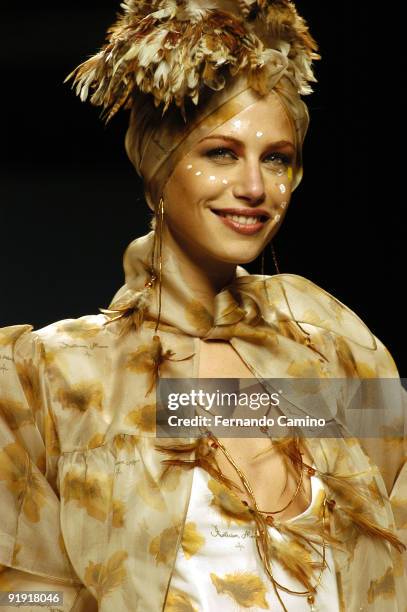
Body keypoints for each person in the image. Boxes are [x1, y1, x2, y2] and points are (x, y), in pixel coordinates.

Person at [0, 1, 406, 611]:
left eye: (277, 158)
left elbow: (394, 518)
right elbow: (29, 597)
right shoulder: (54, 377)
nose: (253, 186)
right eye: (221, 152)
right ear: (160, 168)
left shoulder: (330, 345)